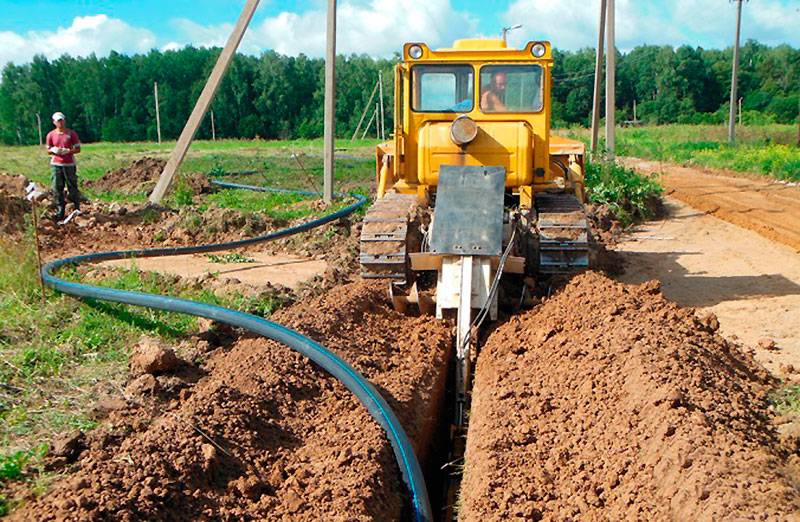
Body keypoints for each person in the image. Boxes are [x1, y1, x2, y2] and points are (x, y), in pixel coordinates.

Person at [45, 112, 82, 221]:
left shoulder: (71, 134)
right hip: (56, 164)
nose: (60, 123)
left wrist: (68, 151)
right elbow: (48, 149)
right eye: (58, 121)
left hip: (69, 163)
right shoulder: (50, 135)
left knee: (72, 186)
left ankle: (76, 208)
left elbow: (78, 149)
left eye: (61, 120)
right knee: (57, 187)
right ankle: (60, 210)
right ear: (54, 122)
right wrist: (54, 150)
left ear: (64, 121)